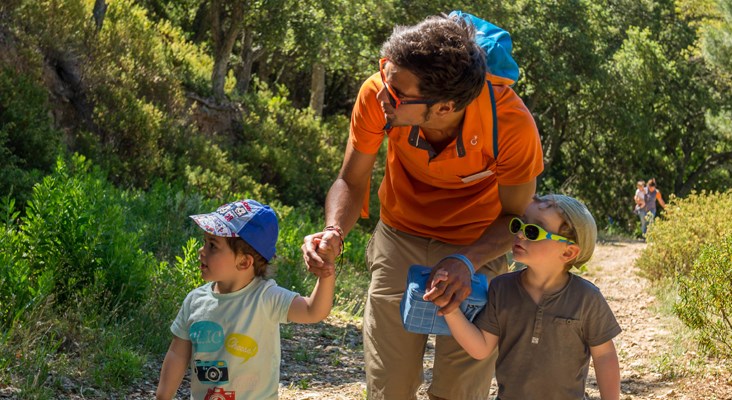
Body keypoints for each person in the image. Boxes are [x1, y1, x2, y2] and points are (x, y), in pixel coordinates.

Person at [301, 13, 543, 400]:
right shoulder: (378, 95)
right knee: (388, 388)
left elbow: (514, 218)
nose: (383, 93)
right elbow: (350, 179)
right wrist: (333, 231)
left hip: (478, 246)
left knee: (459, 391)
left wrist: (466, 261)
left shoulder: (511, 126)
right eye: (385, 74)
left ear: (445, 107)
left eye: (397, 92)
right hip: (399, 235)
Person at [432, 194, 621, 400]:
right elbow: (481, 348)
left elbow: (604, 356)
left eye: (533, 231)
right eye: (519, 225)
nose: (520, 234)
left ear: (568, 252)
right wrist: (450, 310)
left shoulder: (586, 298)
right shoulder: (501, 288)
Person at [156, 199, 336, 400]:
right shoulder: (195, 300)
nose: (201, 251)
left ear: (244, 261)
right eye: (205, 242)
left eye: (213, 246)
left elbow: (314, 310)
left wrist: (325, 273)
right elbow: (178, 354)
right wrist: (163, 396)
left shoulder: (266, 297)